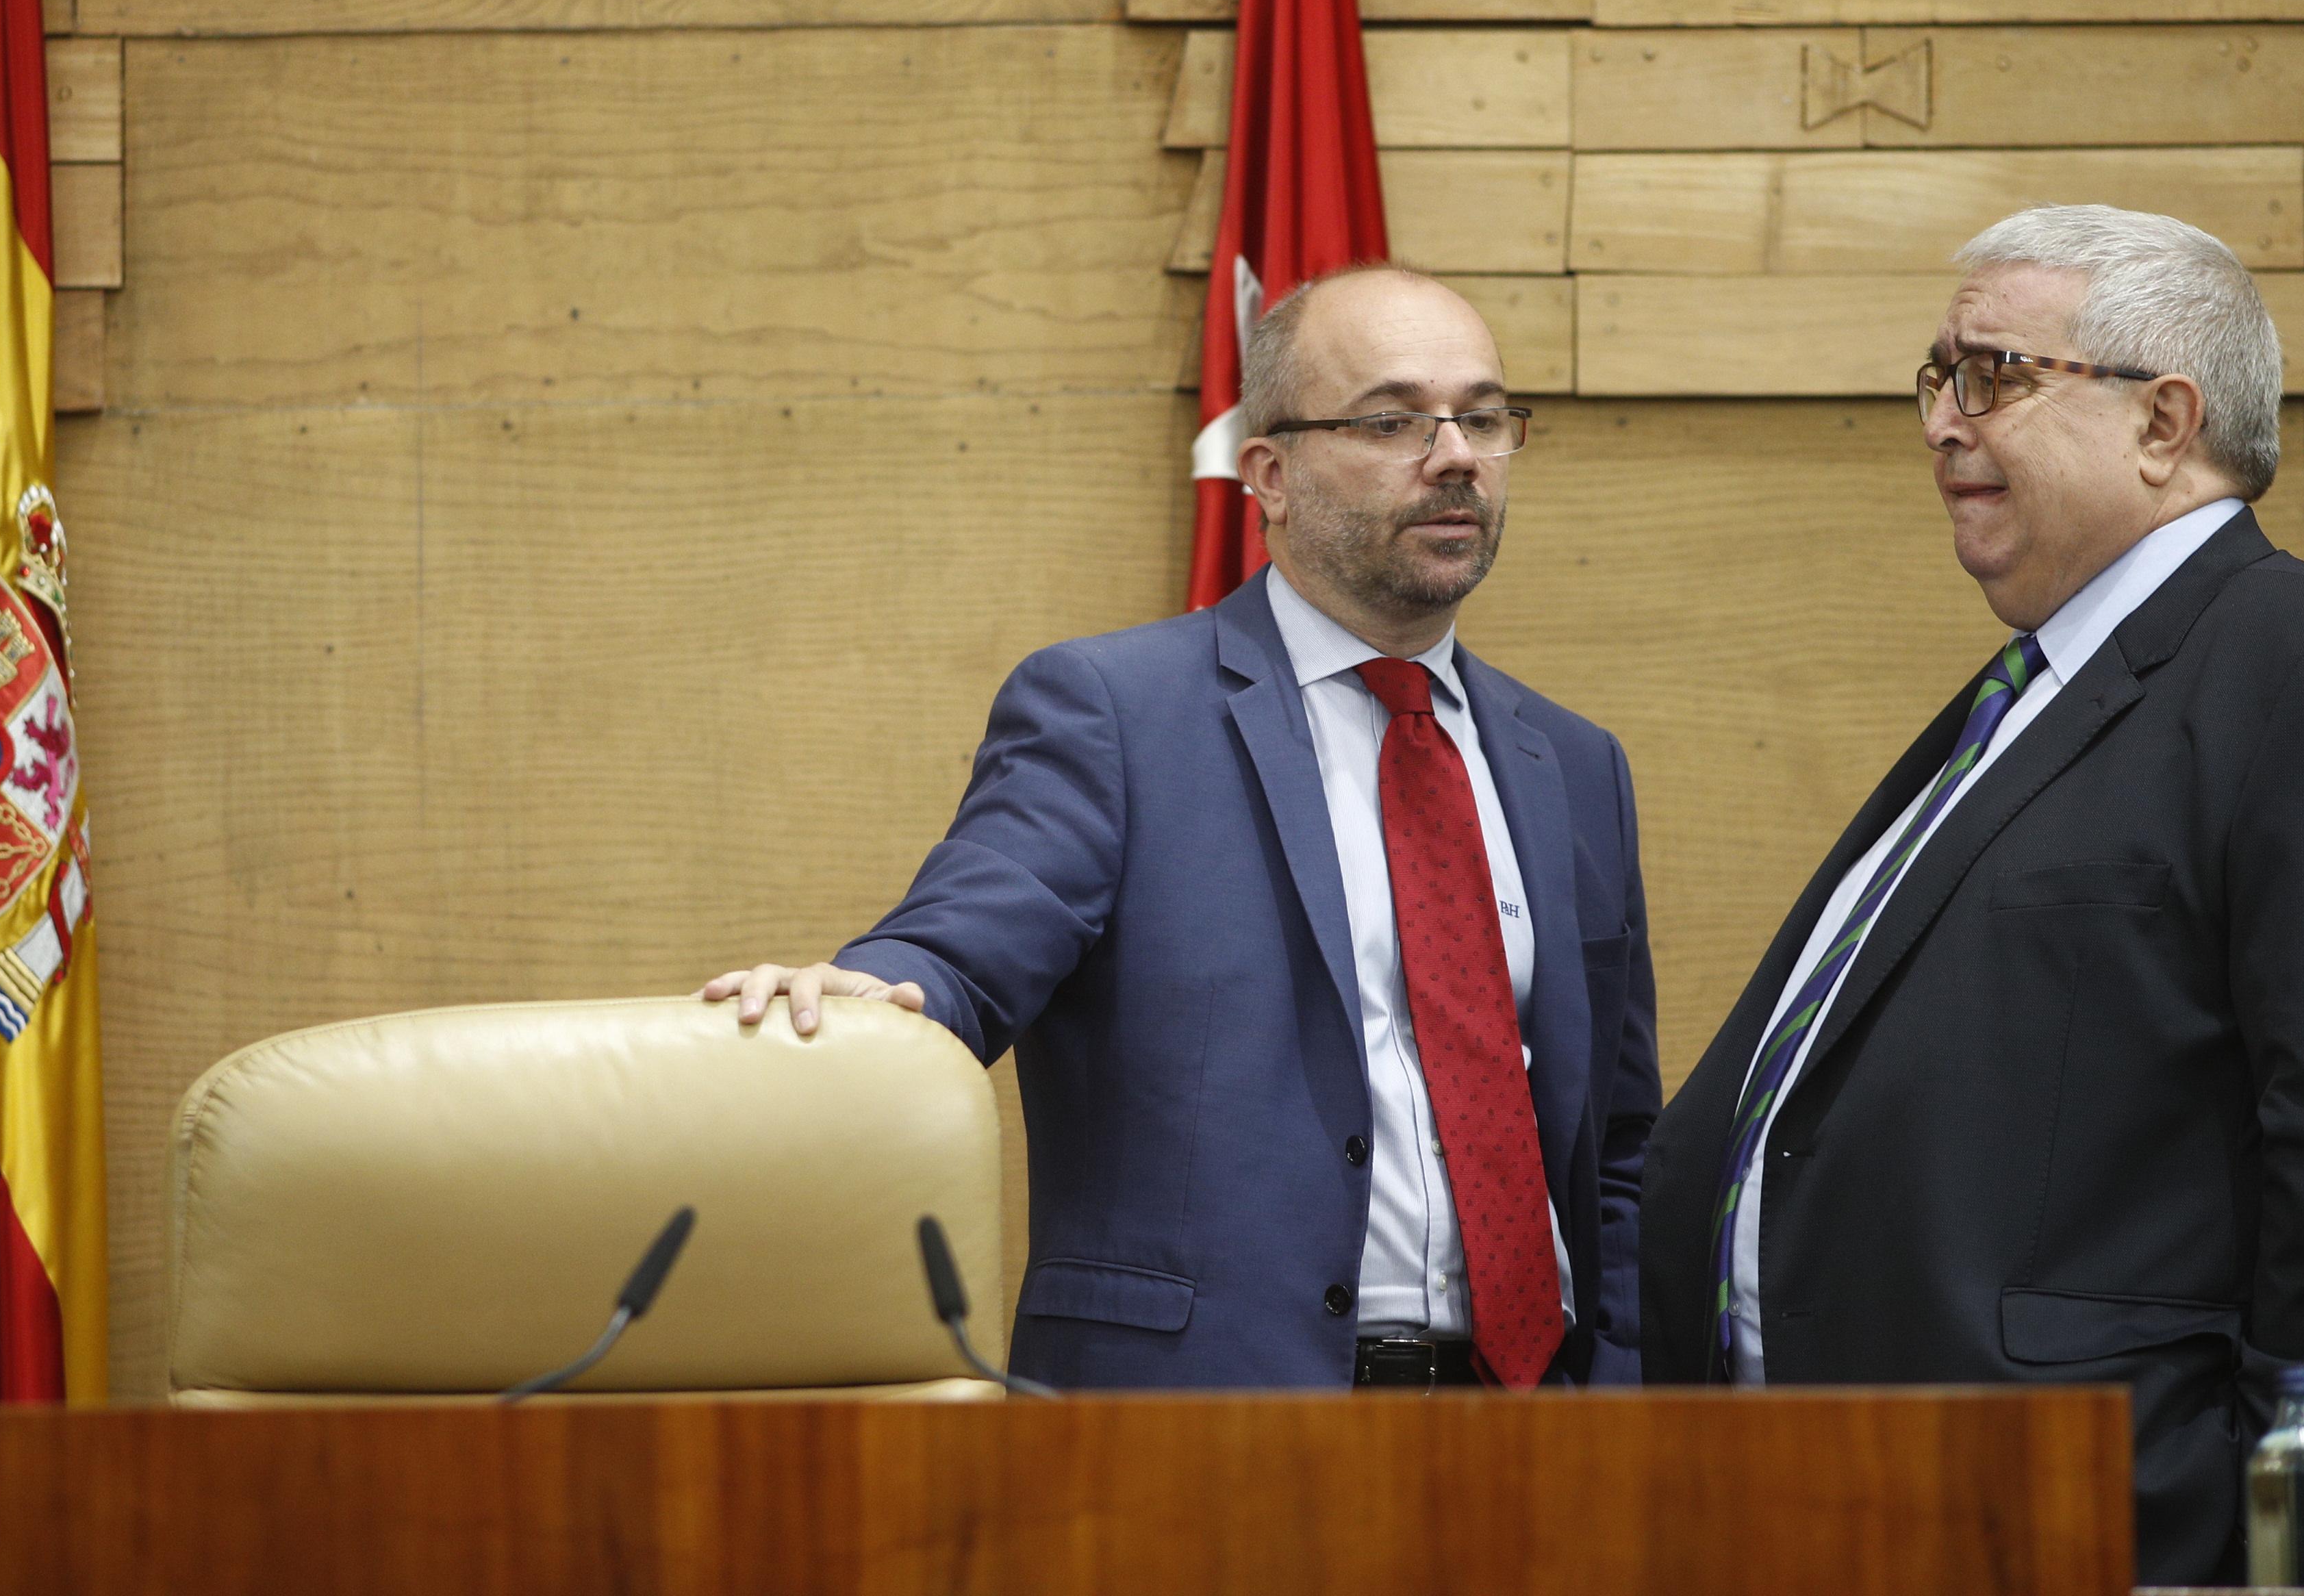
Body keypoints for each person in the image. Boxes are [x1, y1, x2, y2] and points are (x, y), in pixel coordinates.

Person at [1638, 205, 2304, 1580]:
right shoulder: (2028, 699)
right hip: (1857, 1513)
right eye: (1934, 379)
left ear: (2164, 421)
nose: (1943, 422)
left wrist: (2297, 1547)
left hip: (2128, 1534)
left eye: (1991, 373)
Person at [707, 265, 1658, 1391]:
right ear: (1271, 473)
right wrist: (878, 996)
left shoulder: (1575, 765)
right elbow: (960, 953)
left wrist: (1627, 1376)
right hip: (1209, 1423)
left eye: (1485, 418)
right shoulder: (1115, 715)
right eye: (1394, 419)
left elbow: (1618, 1145)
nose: (1455, 456)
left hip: (1541, 1428)